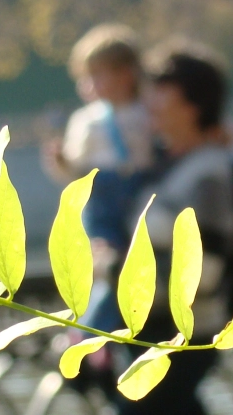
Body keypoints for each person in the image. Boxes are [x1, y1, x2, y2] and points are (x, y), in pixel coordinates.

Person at [86, 40, 233, 415]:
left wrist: (112, 271)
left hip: (181, 338)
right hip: (157, 335)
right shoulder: (167, 168)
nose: (148, 106)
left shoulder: (208, 175)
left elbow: (204, 272)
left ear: (191, 105)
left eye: (161, 97)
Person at [42, 23, 156, 344]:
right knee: (107, 265)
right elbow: (76, 173)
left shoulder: (148, 111)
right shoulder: (87, 120)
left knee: (132, 263)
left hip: (140, 193)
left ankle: (109, 330)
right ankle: (91, 332)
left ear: (127, 74)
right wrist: (61, 162)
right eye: (85, 77)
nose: (89, 85)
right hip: (102, 196)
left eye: (97, 75)